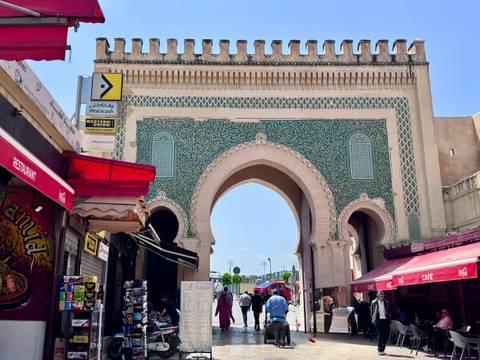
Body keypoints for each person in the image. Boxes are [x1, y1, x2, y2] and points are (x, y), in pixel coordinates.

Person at [370, 291, 391, 356]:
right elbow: (372, 312)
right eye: (380, 296)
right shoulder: (374, 302)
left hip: (385, 320)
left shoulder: (386, 302)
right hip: (378, 320)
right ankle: (379, 350)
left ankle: (383, 349)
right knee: (379, 335)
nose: (382, 297)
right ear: (377, 296)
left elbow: (388, 311)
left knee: (384, 335)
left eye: (382, 296)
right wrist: (374, 319)